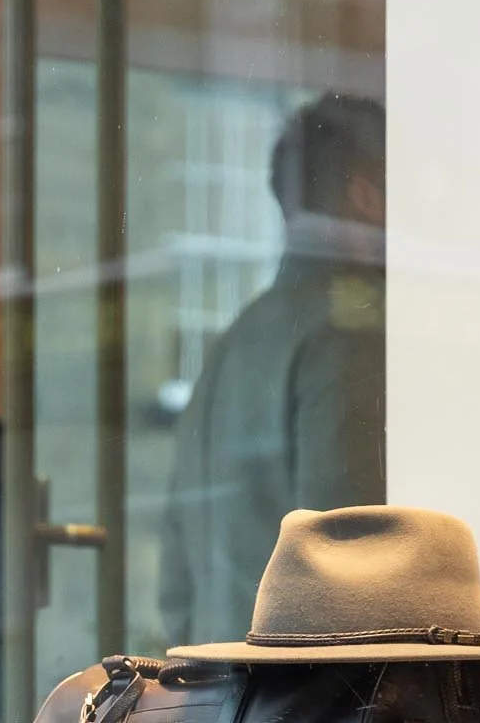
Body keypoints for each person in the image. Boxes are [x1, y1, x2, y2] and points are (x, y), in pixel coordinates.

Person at [159, 92, 386, 648]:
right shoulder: (352, 328)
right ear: (367, 196)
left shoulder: (237, 339)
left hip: (227, 701)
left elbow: (175, 584)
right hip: (318, 709)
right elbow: (351, 560)